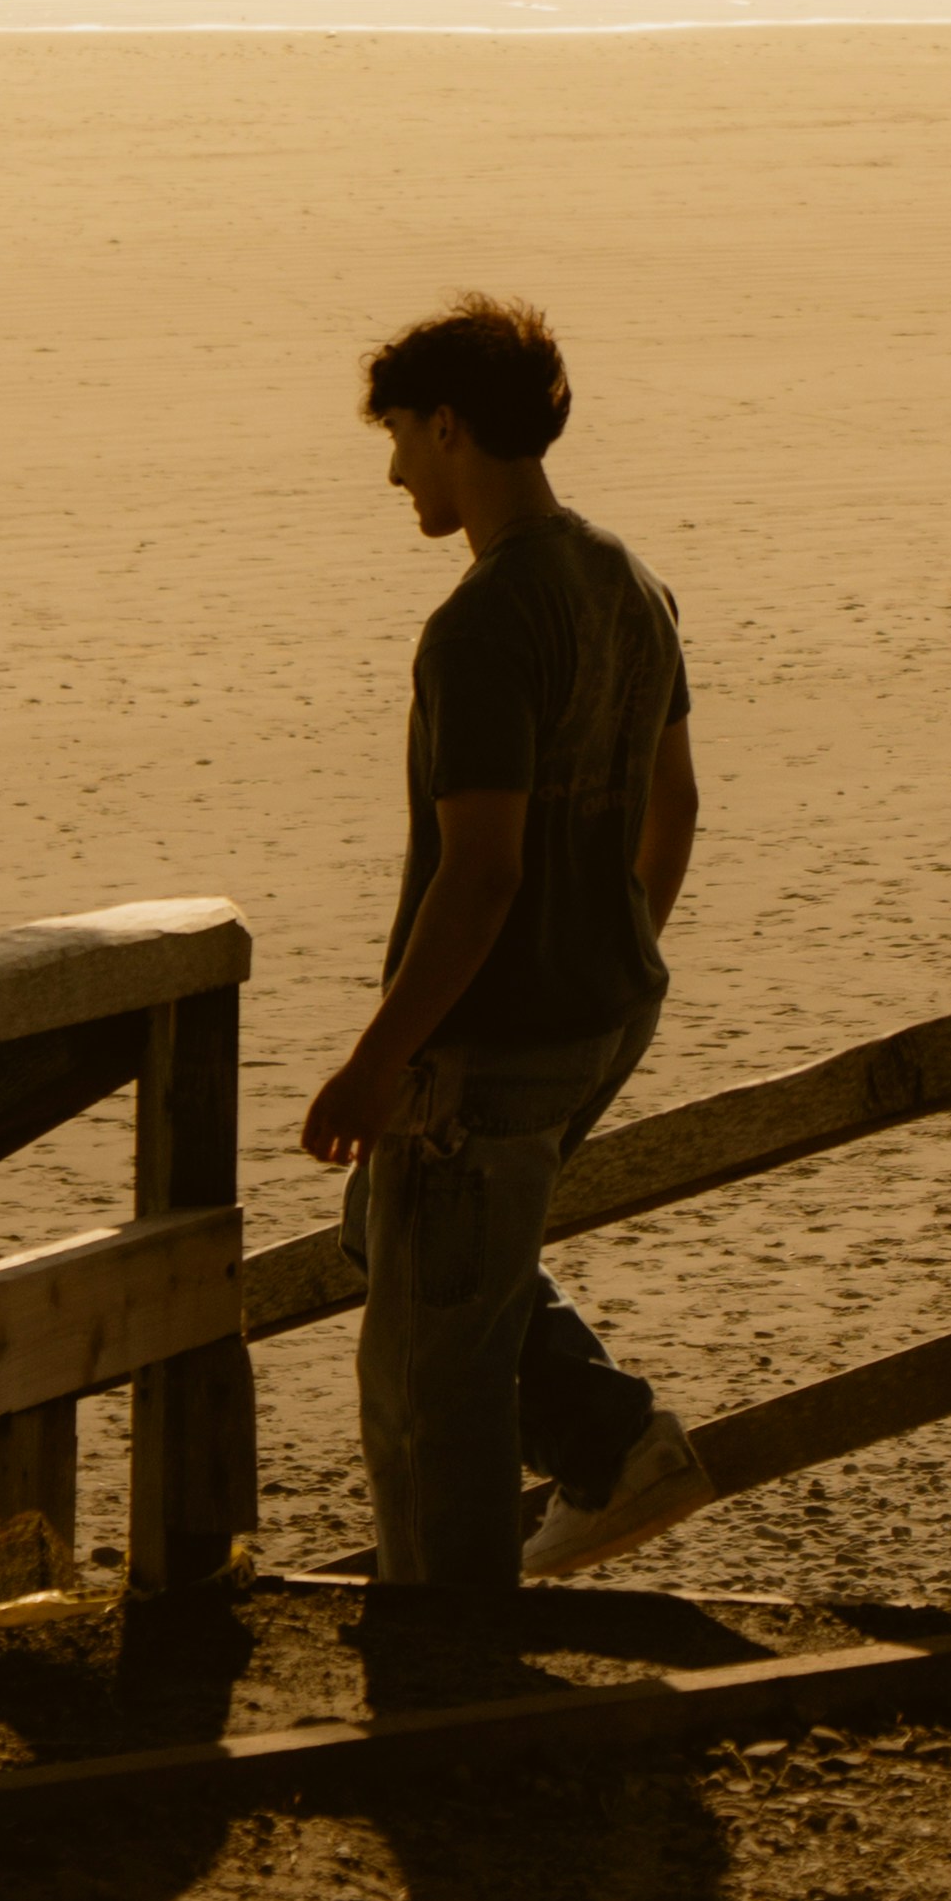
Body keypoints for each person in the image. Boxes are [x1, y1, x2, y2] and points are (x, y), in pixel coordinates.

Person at [299, 291, 713, 1602]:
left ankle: (451, 1645)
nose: (392, 472)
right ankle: (607, 1441)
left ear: (449, 425)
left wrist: (377, 1062)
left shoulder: (480, 628)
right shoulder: (628, 582)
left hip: (499, 1041)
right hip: (608, 1008)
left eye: (402, 442)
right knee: (400, 1235)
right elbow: (678, 805)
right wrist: (615, 945)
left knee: (434, 1372)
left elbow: (480, 877)